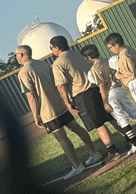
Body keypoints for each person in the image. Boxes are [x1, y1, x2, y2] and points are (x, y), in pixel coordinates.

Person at [14, 45, 103, 180]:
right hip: (60, 105)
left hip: (47, 110)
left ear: (21, 55)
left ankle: (77, 165)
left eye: (16, 54)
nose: (16, 57)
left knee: (62, 138)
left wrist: (35, 116)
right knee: (77, 128)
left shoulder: (23, 72)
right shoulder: (42, 64)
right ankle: (94, 153)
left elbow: (31, 96)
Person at [49, 36, 122, 163]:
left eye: (51, 48)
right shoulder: (79, 53)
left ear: (57, 47)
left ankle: (113, 151)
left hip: (82, 95)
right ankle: (131, 139)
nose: (51, 50)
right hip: (98, 88)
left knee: (98, 124)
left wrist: (67, 102)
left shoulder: (58, 63)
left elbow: (61, 85)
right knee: (110, 117)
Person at [80, 44, 136, 156]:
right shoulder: (106, 60)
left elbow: (101, 86)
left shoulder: (94, 69)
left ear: (89, 58)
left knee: (121, 119)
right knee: (133, 112)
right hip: (119, 89)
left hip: (110, 93)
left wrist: (105, 102)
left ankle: (135, 144)